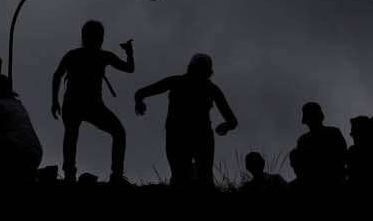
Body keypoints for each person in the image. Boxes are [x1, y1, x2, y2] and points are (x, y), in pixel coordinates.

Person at [133, 52, 237, 189]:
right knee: (188, 178)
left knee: (193, 178)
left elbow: (232, 121)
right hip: (186, 136)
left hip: (190, 136)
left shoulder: (182, 83)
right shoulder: (207, 88)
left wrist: (227, 125)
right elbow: (141, 93)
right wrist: (226, 126)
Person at [50, 20, 134, 184]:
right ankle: (114, 175)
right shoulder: (101, 56)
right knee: (115, 133)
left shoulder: (76, 55)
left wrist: (54, 100)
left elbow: (57, 75)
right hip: (88, 104)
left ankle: (70, 174)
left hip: (79, 103)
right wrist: (129, 53)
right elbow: (129, 68)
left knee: (72, 135)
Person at [288, 102, 346, 191]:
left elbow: (341, 158)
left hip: (332, 182)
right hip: (310, 183)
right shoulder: (303, 140)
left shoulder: (333, 133)